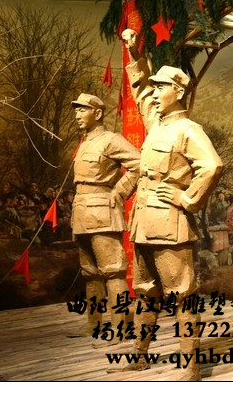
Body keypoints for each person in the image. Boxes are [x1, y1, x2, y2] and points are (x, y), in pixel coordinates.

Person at [118, 29, 223, 380]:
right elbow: (140, 90)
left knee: (182, 295)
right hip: (144, 223)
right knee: (145, 292)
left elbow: (212, 166)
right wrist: (135, 55)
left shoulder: (188, 130)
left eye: (161, 87)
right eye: (155, 87)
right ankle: (140, 354)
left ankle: (191, 367)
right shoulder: (156, 124)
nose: (154, 93)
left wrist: (187, 198)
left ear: (178, 92)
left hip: (170, 226)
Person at [70, 93, 141, 343]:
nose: (77, 115)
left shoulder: (111, 140)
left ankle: (120, 327)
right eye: (76, 110)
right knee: (90, 273)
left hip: (102, 210)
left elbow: (140, 164)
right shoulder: (85, 142)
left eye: (82, 110)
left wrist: (119, 191)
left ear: (98, 113)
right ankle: (94, 324)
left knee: (112, 272)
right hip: (81, 211)